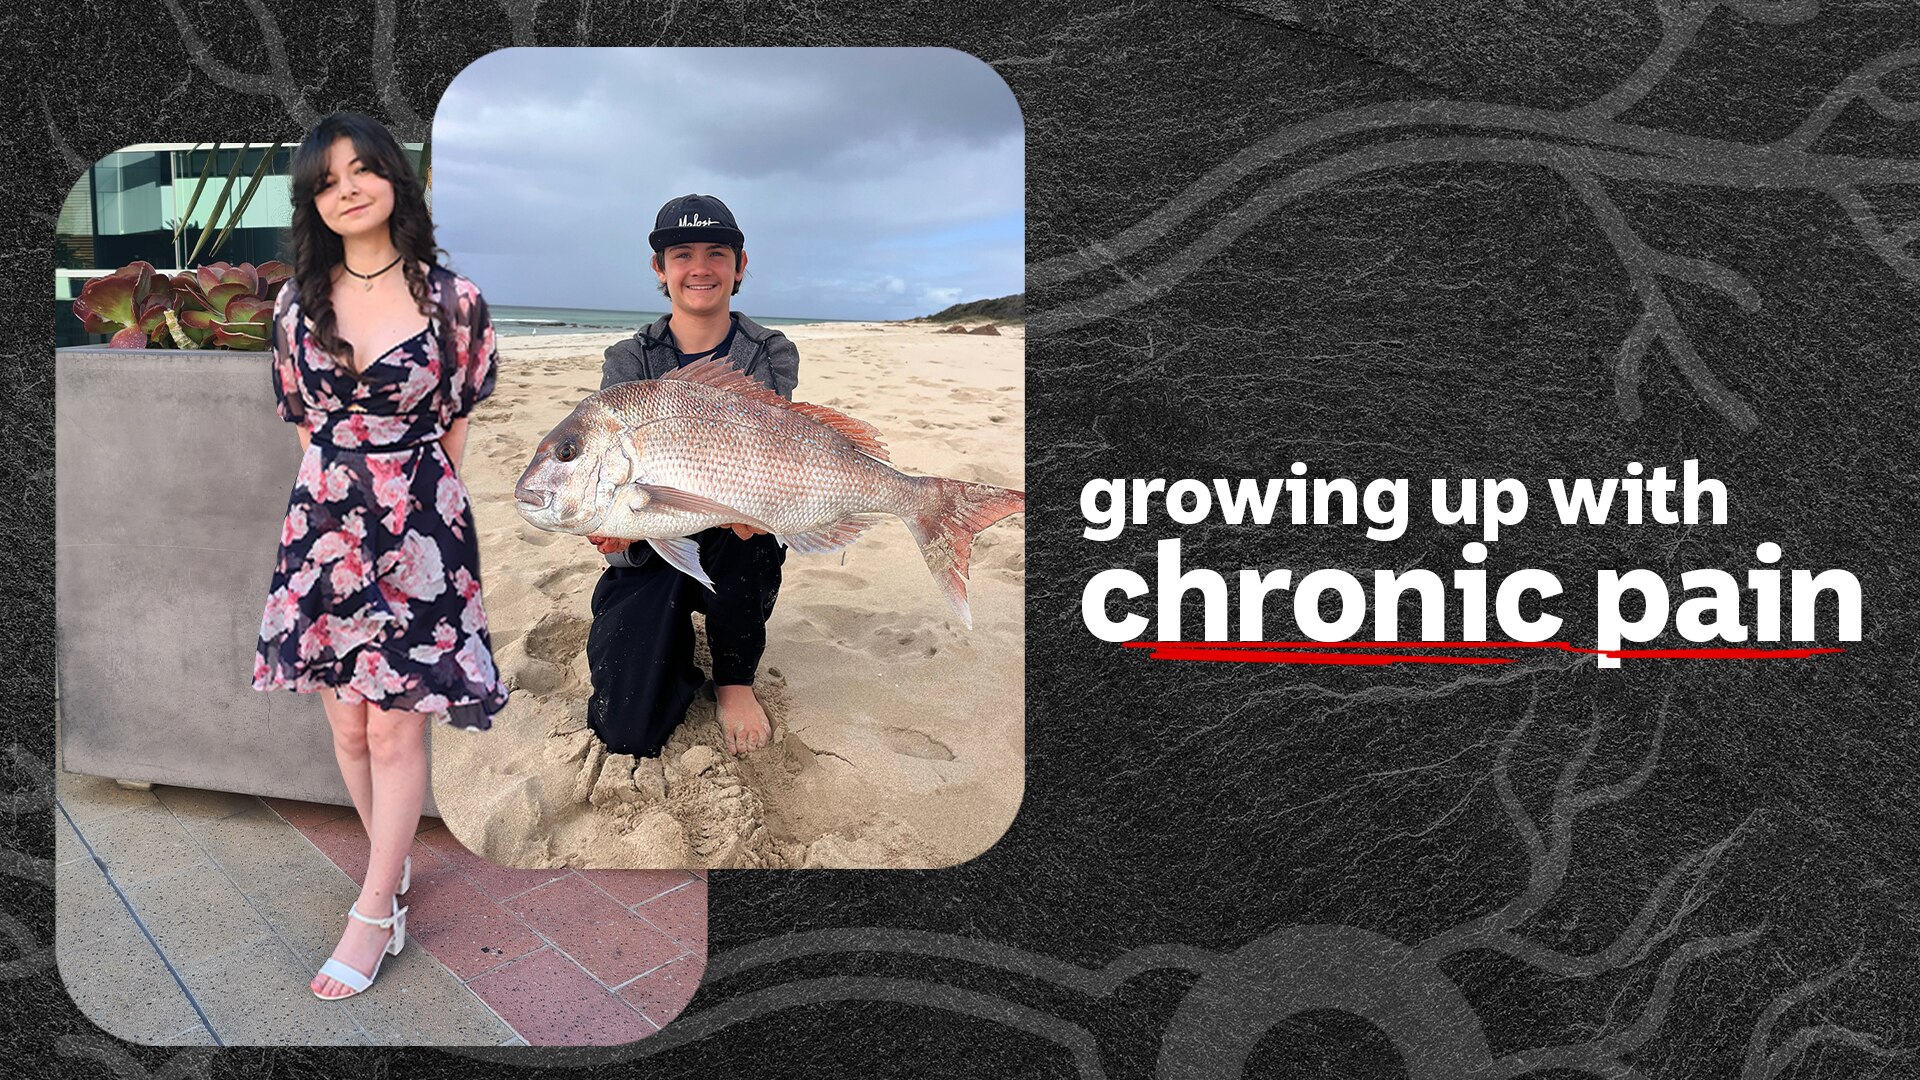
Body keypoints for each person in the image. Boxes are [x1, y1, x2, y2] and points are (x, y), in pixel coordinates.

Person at [250, 111, 507, 1000]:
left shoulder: (454, 300)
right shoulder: (296, 304)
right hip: (323, 525)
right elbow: (305, 426)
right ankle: (388, 876)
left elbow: (455, 425)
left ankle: (371, 912)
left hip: (421, 528)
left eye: (361, 169)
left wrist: (413, 510)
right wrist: (338, 508)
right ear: (312, 202)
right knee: (349, 725)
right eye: (326, 181)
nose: (347, 189)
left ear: (395, 178)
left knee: (396, 723)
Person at [585, 194, 799, 759]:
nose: (699, 268)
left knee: (744, 535)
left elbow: (772, 440)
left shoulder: (769, 351)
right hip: (653, 545)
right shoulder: (629, 358)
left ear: (740, 265)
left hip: (735, 544)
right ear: (660, 268)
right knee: (627, 726)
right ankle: (669, 633)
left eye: (716, 253)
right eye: (682, 254)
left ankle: (734, 681)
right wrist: (612, 523)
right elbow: (610, 465)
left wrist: (767, 508)